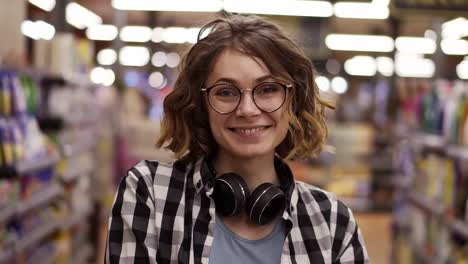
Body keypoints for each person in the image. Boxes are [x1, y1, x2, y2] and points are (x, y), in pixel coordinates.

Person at [106, 14, 369, 264]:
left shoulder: (333, 221)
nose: (247, 109)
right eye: (226, 92)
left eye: (268, 89)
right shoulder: (150, 193)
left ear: (292, 100)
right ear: (201, 105)